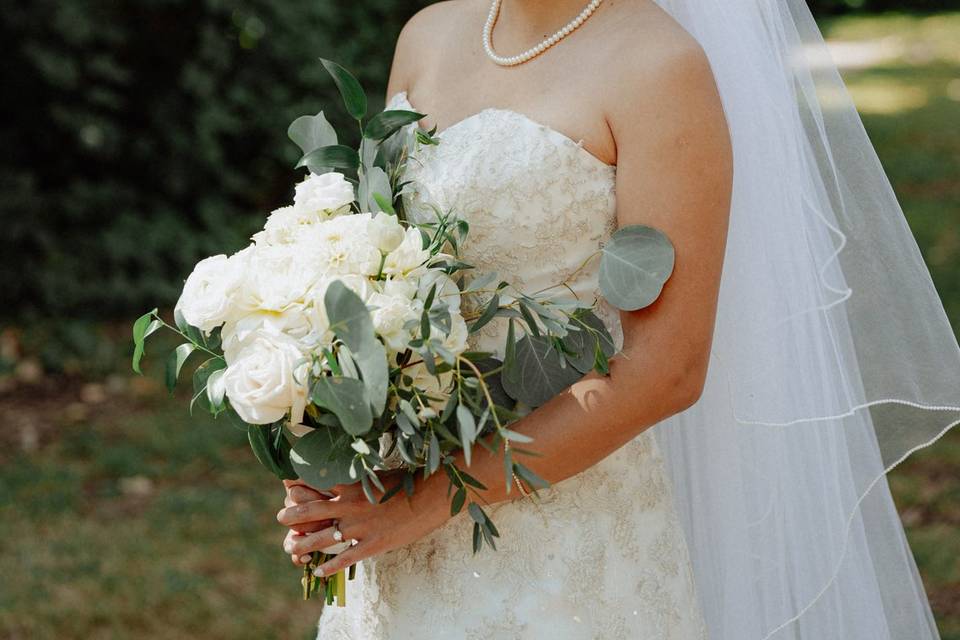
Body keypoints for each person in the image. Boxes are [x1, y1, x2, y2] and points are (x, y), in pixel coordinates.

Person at [276, 1, 960, 638]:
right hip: (389, 531)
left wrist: (416, 507)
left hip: (563, 538)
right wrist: (331, 435)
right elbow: (377, 273)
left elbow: (668, 369)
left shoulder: (657, 65)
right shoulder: (427, 34)